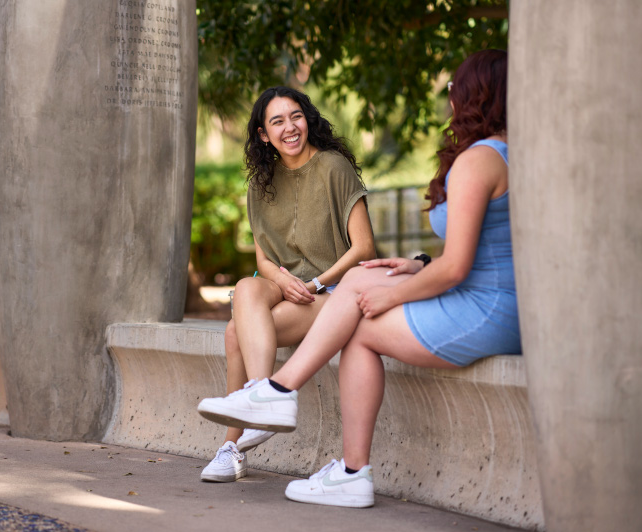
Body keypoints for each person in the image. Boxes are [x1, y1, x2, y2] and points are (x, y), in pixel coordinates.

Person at [198, 49, 521, 506]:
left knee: (357, 312)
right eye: (276, 121)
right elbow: (482, 251)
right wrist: (418, 265)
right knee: (247, 300)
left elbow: (454, 266)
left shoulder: (478, 160)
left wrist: (391, 294)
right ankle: (276, 420)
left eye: (454, 88)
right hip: (494, 300)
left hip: (483, 305)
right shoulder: (502, 155)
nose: (448, 97)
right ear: (262, 135)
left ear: (476, 95)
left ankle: (279, 400)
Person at [200, 86, 376, 482]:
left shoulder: (333, 167)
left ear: (307, 119)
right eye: (277, 121)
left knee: (233, 334)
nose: (289, 127)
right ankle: (263, 397)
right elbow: (264, 257)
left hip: (333, 289)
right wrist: (285, 280)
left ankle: (235, 441)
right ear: (264, 134)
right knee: (247, 286)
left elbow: (364, 247)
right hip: (285, 282)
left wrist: (314, 283)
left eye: (295, 116)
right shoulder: (261, 183)